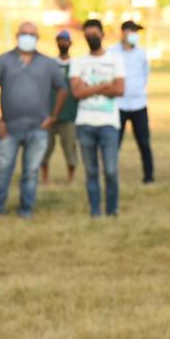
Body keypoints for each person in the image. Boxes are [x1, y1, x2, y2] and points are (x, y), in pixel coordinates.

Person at [0, 22, 67, 218]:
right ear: (17, 35)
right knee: (2, 170)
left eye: (31, 34)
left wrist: (53, 116)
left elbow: (62, 89)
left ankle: (26, 209)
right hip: (9, 127)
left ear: (37, 38)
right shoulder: (3, 61)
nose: (27, 37)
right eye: (24, 33)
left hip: (38, 128)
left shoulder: (48, 63)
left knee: (31, 172)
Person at [70, 19, 125, 217]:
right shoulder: (78, 62)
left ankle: (112, 210)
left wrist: (89, 88)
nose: (91, 37)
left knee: (110, 170)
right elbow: (76, 93)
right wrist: (103, 86)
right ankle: (95, 211)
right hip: (85, 123)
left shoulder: (115, 60)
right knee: (91, 171)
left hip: (108, 124)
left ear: (102, 35)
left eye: (95, 34)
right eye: (88, 34)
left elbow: (119, 89)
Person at [108, 20, 154, 183]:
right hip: (118, 104)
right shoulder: (112, 52)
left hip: (138, 104)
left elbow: (145, 75)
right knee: (114, 143)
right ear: (123, 33)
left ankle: (149, 176)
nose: (134, 36)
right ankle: (110, 174)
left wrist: (138, 90)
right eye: (132, 32)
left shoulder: (141, 53)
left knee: (144, 142)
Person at [41, 30, 79, 184]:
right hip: (49, 114)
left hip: (68, 114)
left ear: (70, 43)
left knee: (70, 148)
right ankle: (45, 178)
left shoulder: (76, 65)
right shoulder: (50, 64)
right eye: (60, 40)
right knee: (45, 149)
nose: (63, 44)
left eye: (65, 41)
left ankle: (70, 178)